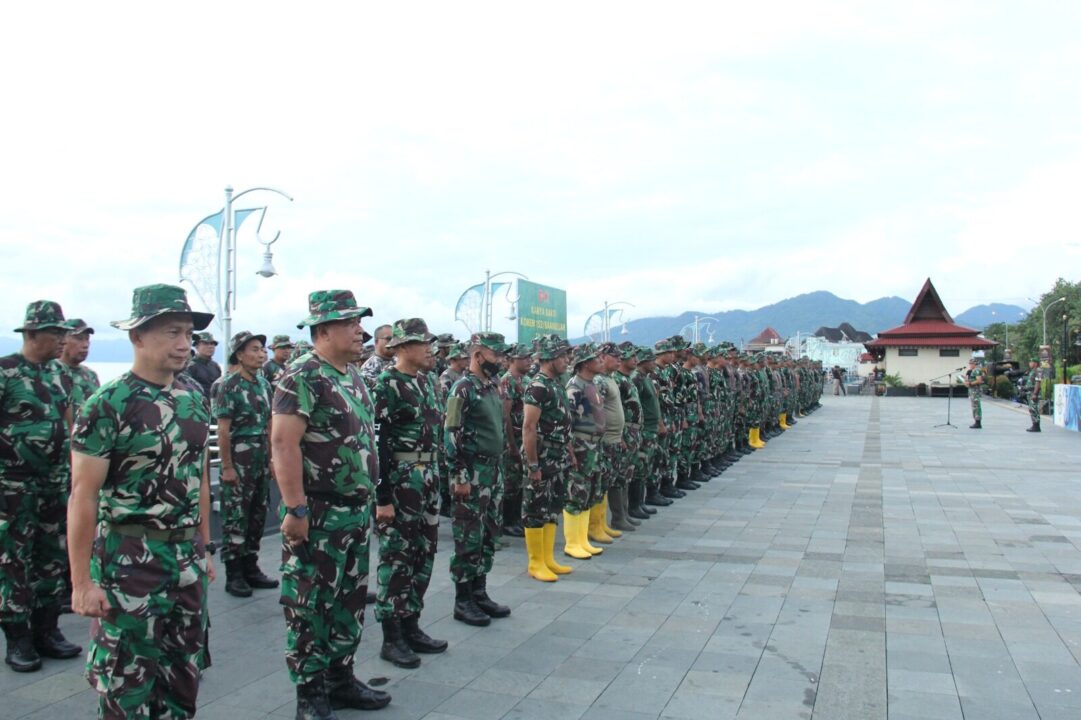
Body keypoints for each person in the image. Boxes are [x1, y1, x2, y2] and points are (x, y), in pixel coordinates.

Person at [67, 284, 215, 717]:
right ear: (137, 336)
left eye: (188, 332)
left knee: (183, 679)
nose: (184, 343)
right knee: (126, 685)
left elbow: (198, 478)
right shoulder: (108, 404)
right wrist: (81, 583)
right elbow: (83, 494)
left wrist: (204, 546)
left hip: (186, 559)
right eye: (172, 331)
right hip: (129, 561)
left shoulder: (192, 398)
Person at [272, 290, 391, 718]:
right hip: (319, 512)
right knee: (309, 604)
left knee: (349, 601)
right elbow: (283, 444)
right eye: (350, 324)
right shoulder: (302, 374)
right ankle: (310, 691)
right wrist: (295, 508)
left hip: (354, 511)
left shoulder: (353, 375)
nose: (360, 330)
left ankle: (341, 678)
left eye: (360, 322)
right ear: (323, 331)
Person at [1, 300, 80, 673]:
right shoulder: (5, 372)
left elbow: (68, 424)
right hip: (11, 486)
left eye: (64, 333)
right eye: (56, 333)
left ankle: (47, 630)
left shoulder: (60, 375)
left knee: (51, 556)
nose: (63, 340)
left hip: (54, 484)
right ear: (31, 334)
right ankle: (17, 638)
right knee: (13, 560)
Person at [371, 319, 447, 668]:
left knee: (424, 552)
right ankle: (392, 635)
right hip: (402, 478)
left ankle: (412, 623)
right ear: (401, 348)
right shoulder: (387, 383)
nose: (428, 347)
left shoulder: (428, 382)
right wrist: (382, 496)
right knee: (397, 555)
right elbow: (379, 442)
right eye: (420, 342)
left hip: (428, 476)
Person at [444, 333, 513, 626]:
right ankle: (463, 600)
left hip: (493, 471)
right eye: (495, 354)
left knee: (488, 535)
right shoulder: (462, 388)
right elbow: (451, 433)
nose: (500, 360)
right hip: (471, 474)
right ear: (478, 355)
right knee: (468, 536)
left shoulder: (491, 386)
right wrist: (460, 476)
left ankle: (479, 592)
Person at [213, 331, 278, 598]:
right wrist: (227, 467)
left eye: (262, 349)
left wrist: (273, 458)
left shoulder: (264, 384)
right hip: (239, 461)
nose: (261, 353)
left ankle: (251, 566)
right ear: (239, 354)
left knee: (257, 514)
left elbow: (271, 423)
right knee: (236, 517)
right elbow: (223, 430)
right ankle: (234, 573)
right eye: (254, 349)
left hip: (261, 459)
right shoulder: (228, 385)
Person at [520, 335, 574, 582]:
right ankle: (535, 562)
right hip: (541, 456)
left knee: (553, 507)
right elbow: (529, 427)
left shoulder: (556, 383)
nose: (567, 359)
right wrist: (533, 465)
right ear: (550, 356)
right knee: (535, 508)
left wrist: (570, 453)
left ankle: (548, 558)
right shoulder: (538, 386)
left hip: (559, 455)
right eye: (563, 355)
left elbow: (564, 423)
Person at [563, 344, 606, 558]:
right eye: (596, 359)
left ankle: (583, 539)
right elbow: (567, 422)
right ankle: (572, 543)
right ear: (585, 363)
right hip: (580, 445)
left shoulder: (591, 384)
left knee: (588, 491)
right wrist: (570, 450)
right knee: (576, 493)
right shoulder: (575, 386)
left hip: (593, 445)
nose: (600, 361)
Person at [499, 344, 532, 538]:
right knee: (511, 482)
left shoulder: (527, 380)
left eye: (529, 357)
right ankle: (508, 521)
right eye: (524, 357)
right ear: (512, 360)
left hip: (525, 438)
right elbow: (506, 415)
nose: (528, 360)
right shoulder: (507, 381)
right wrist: (511, 445)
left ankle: (517, 518)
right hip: (514, 439)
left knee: (521, 480)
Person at [60, 318, 101, 411]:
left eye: (87, 339)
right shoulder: (52, 373)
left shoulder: (91, 376)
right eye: (79, 339)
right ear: (63, 340)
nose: (85, 345)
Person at [360, 324, 395, 390]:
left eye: (395, 338)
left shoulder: (400, 360)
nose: (393, 342)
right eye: (389, 339)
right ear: (376, 341)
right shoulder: (369, 367)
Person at [188, 332, 221, 396]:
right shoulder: (191, 366)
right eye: (205, 343)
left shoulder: (215, 366)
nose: (210, 346)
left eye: (212, 344)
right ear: (197, 346)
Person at [962, 358, 985, 429]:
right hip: (972, 391)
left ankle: (978, 423)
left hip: (975, 391)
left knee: (976, 406)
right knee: (974, 406)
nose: (970, 365)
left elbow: (979, 380)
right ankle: (976, 421)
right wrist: (966, 380)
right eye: (969, 363)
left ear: (974, 364)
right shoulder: (971, 371)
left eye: (971, 364)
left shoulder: (977, 370)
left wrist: (970, 383)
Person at [1022, 358, 1042, 432]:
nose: (1030, 363)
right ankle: (1034, 424)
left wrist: (1035, 394)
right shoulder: (1032, 371)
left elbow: (1038, 382)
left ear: (1035, 363)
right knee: (1031, 409)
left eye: (1031, 362)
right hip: (1030, 392)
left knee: (1034, 409)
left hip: (1034, 393)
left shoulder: (1038, 370)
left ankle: (1036, 426)